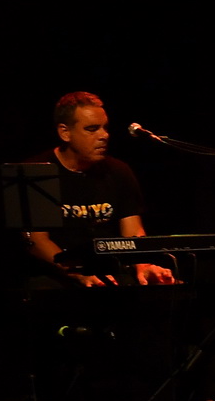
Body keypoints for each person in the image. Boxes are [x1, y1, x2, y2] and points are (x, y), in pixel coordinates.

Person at [26, 92, 175, 287]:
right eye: (92, 129)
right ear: (65, 132)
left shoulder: (118, 171)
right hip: (57, 276)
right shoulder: (38, 172)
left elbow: (132, 230)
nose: (104, 135)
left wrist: (143, 266)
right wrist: (78, 273)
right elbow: (37, 242)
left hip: (110, 274)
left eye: (105, 128)